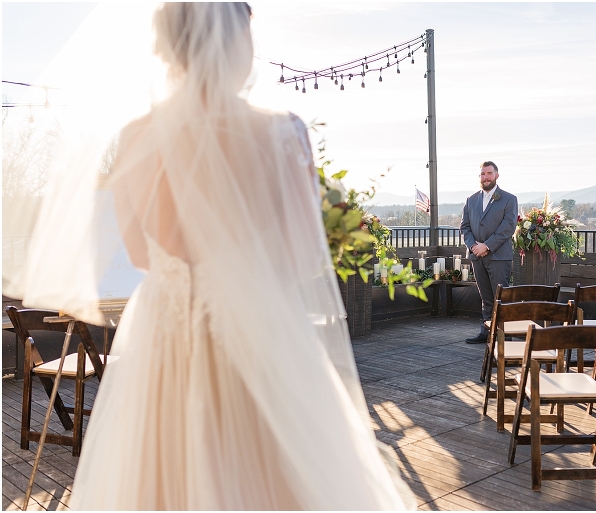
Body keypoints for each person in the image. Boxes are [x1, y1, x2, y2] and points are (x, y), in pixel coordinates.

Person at [6, 3, 413, 509]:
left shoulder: (137, 136)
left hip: (167, 335)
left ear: (167, 45)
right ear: (238, 42)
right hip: (262, 333)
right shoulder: (285, 132)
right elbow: (304, 260)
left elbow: (140, 253)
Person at [460, 161, 518, 344]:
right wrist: (473, 246)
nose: (486, 177)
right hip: (477, 256)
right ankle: (486, 332)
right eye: (483, 174)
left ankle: (504, 335)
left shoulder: (509, 199)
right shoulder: (471, 200)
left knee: (501, 297)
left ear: (496, 176)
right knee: (485, 297)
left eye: (489, 173)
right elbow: (464, 227)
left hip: (499, 257)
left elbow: (508, 227)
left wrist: (487, 246)